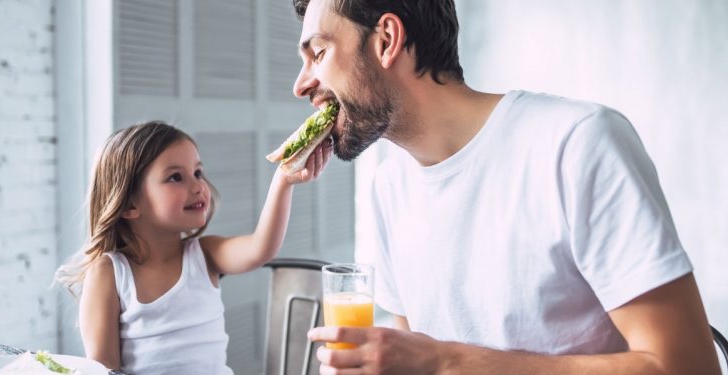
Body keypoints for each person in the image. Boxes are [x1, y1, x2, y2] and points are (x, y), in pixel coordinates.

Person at [291, 0, 721, 373]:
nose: (301, 84)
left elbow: (687, 366)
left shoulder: (578, 143)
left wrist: (445, 363)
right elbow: (412, 354)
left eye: (319, 53)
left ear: (386, 39)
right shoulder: (388, 187)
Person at [55, 121, 332, 374]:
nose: (198, 186)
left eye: (198, 172)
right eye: (176, 177)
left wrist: (284, 180)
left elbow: (261, 247)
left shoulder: (205, 254)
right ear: (129, 204)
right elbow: (103, 369)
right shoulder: (110, 273)